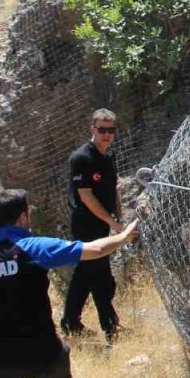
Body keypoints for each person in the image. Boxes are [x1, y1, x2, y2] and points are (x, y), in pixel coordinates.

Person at [0, 189, 138, 378]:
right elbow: (95, 249)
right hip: (43, 353)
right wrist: (124, 235)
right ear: (22, 217)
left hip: (0, 361)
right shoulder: (33, 247)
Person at [61, 108, 125, 341]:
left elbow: (113, 188)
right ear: (92, 129)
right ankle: (110, 328)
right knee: (101, 279)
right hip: (86, 225)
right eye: (102, 130)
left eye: (111, 130)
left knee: (85, 275)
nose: (107, 135)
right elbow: (86, 196)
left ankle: (70, 322)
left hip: (103, 223)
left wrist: (118, 217)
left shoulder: (108, 156)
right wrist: (112, 222)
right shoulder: (82, 158)